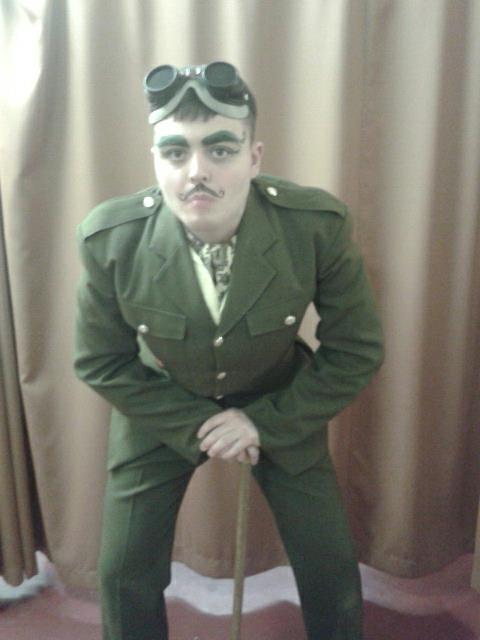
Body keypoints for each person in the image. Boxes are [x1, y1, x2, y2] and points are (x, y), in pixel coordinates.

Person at [74, 61, 384, 640]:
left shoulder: (314, 226)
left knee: (330, 564)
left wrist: (264, 422)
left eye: (220, 150)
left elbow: (356, 349)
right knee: (122, 572)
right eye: (176, 153)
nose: (197, 172)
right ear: (155, 160)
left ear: (254, 157)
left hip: (280, 396)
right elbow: (100, 360)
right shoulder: (111, 239)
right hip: (163, 401)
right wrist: (197, 423)